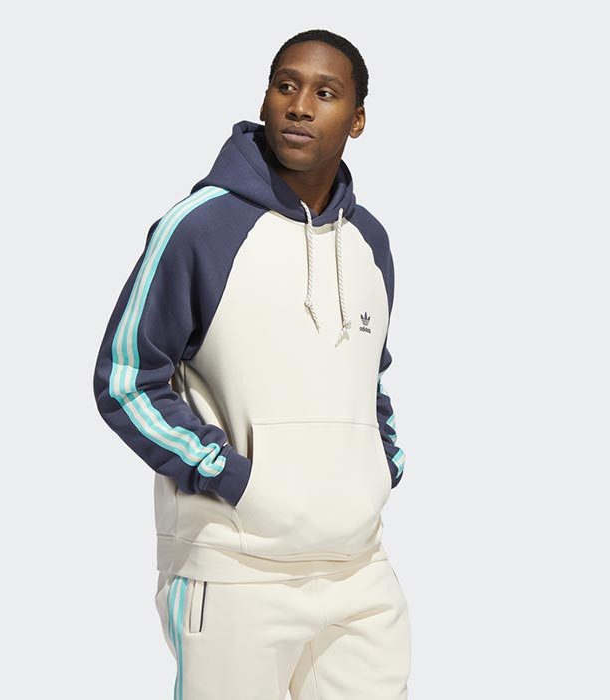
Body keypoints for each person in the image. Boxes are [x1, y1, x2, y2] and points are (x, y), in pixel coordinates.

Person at [93, 28, 411, 700]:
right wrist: (231, 477)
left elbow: (369, 377)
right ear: (265, 99)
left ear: (356, 120)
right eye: (285, 86)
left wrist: (382, 466)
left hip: (360, 571)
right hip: (236, 571)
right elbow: (126, 380)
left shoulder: (370, 242)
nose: (299, 105)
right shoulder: (199, 227)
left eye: (325, 93)